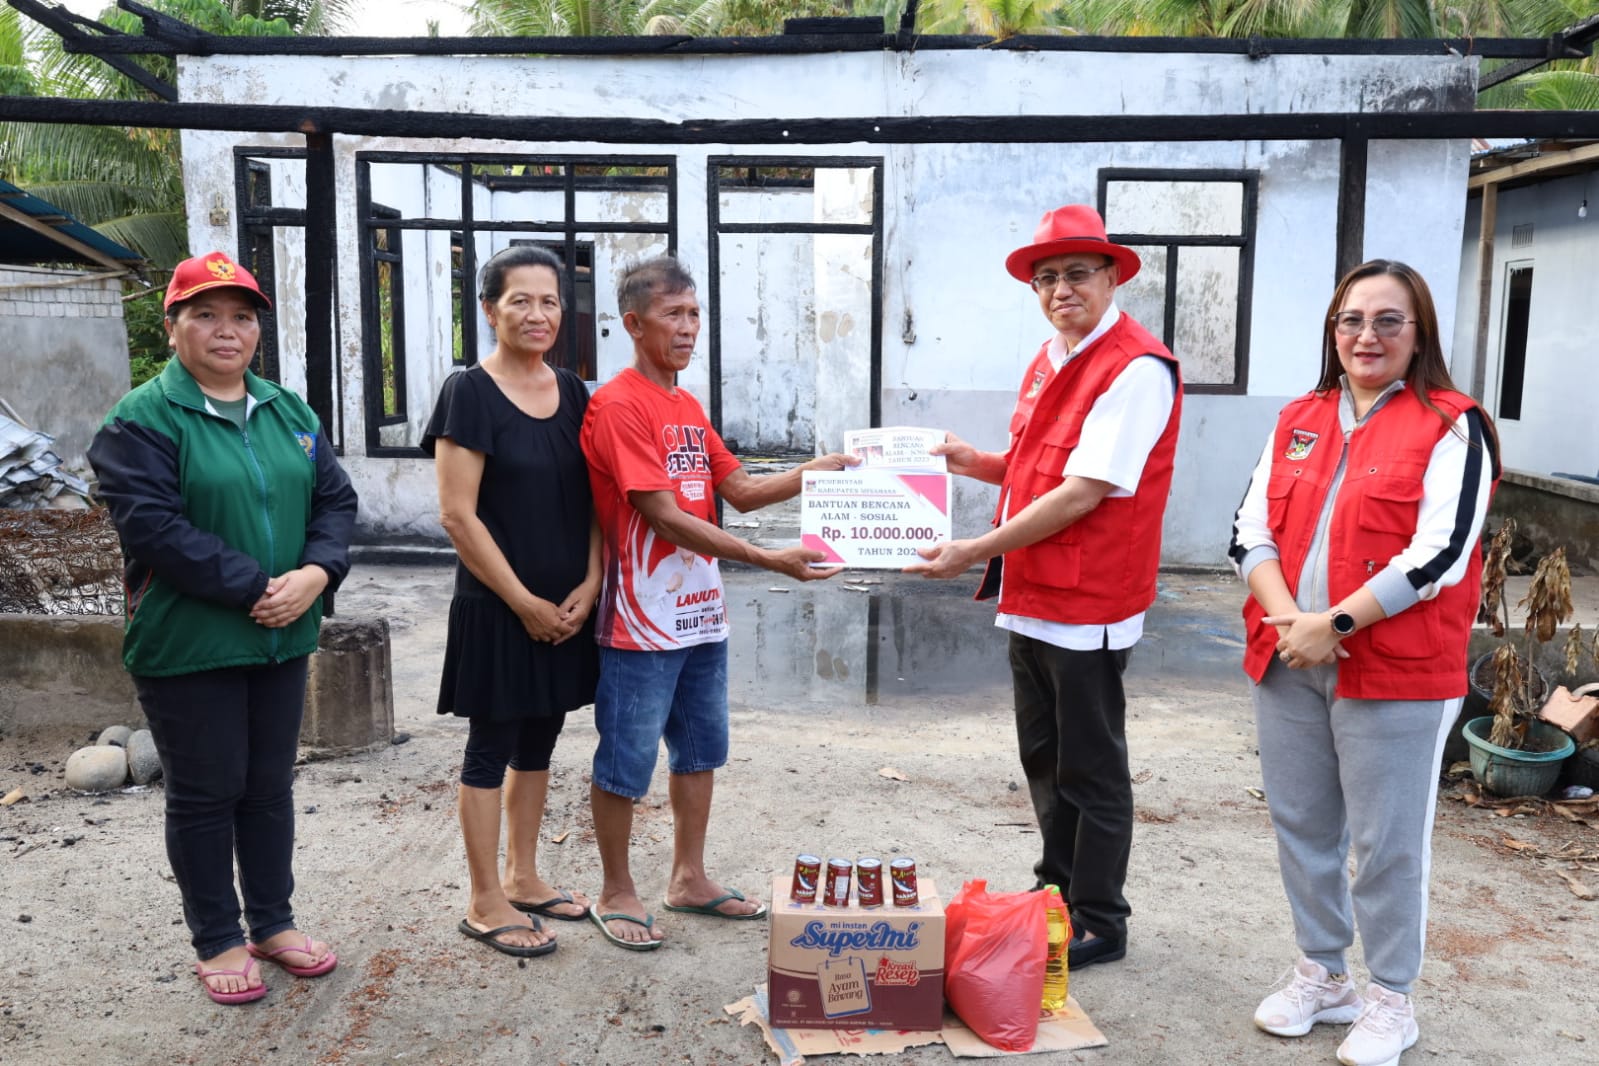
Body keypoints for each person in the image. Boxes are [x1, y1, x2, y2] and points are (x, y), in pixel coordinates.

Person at [1228, 259, 1497, 1066]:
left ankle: (1390, 997)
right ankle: (1322, 972)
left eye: (1388, 320)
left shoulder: (1453, 425)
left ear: (1418, 337)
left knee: (1386, 843)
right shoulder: (1297, 417)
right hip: (1289, 658)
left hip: (1397, 671)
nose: (1366, 335)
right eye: (1351, 319)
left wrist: (1334, 622)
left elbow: (1441, 554)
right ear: (1331, 330)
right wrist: (1293, 623)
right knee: (1302, 824)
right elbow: (1247, 532)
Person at [905, 204, 1181, 970]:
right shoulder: (1050, 357)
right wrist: (973, 460)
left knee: (1091, 768)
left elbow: (1083, 491)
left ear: (1112, 277)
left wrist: (972, 549)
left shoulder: (1134, 369)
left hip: (1087, 602)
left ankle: (1099, 918)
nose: (1062, 289)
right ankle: (1054, 891)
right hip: (1033, 595)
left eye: (1078, 274)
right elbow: (1038, 465)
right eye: (1047, 277)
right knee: (1044, 759)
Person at [88, 251, 358, 1004]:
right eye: (205, 314)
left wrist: (315, 576)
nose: (226, 330)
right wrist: (258, 589)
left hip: (281, 635)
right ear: (172, 326)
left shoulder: (288, 410)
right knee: (207, 793)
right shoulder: (139, 419)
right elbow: (153, 529)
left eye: (241, 316)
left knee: (268, 788)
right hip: (190, 642)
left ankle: (273, 923)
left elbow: (334, 502)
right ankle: (216, 938)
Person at [578, 255, 856, 950]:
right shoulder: (617, 405)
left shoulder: (685, 406)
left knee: (700, 751)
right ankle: (615, 890)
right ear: (633, 322)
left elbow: (737, 491)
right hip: (639, 619)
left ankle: (688, 878)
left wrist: (812, 474)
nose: (688, 327)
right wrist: (768, 560)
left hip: (699, 611)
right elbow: (663, 515)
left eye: (695, 313)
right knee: (627, 757)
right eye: (673, 314)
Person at [422, 245, 601, 959]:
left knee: (542, 737)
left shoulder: (577, 393)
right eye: (519, 300)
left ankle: (526, 877)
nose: (537, 313)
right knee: (490, 745)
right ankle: (484, 897)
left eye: (549, 300)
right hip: (499, 605)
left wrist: (590, 583)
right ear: (490, 309)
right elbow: (458, 517)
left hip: (566, 605)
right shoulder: (468, 392)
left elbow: (598, 500)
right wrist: (524, 600)